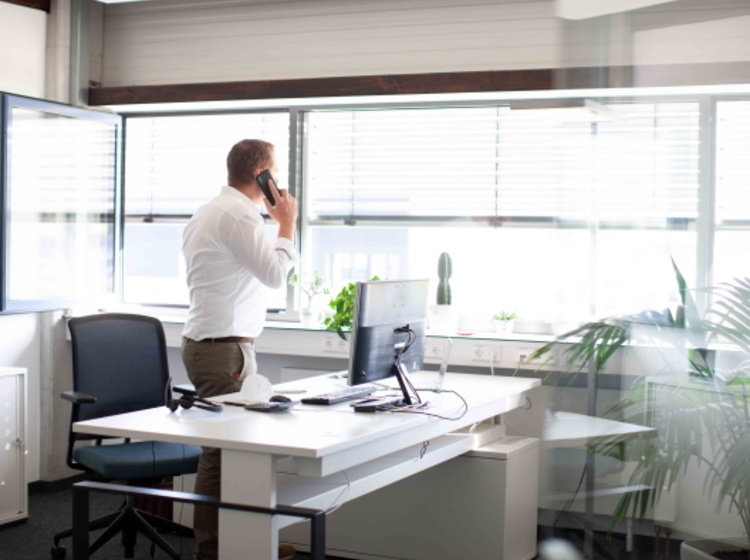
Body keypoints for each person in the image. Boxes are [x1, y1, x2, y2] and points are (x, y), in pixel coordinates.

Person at [181, 139, 299, 560]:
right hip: (223, 350)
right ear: (261, 176)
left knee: (235, 449)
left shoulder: (212, 210)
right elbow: (274, 275)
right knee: (223, 452)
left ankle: (241, 541)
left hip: (214, 344)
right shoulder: (239, 216)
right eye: (275, 173)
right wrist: (286, 223)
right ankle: (214, 551)